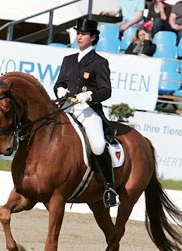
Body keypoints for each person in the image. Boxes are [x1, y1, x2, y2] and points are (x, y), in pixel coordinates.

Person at [53, 19, 120, 208]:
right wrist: (60, 91)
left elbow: (106, 91)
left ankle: (110, 188)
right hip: (66, 106)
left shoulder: (99, 62)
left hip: (87, 110)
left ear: (93, 37)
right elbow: (59, 83)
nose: (79, 37)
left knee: (98, 145)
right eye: (78, 33)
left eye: (83, 34)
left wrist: (89, 95)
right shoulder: (68, 60)